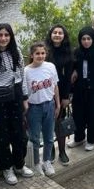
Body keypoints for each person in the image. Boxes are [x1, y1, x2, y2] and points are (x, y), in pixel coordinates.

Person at [0, 23, 32, 185]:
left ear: (11, 37)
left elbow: (21, 77)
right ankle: (6, 167)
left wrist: (24, 98)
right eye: (0, 35)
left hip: (15, 95)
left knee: (20, 134)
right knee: (1, 135)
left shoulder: (16, 53)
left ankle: (19, 164)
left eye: (6, 35)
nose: (3, 38)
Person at [24, 42, 60, 176]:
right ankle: (36, 163)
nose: (40, 56)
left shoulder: (50, 67)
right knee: (34, 137)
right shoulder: (26, 71)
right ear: (32, 55)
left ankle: (47, 161)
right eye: (37, 53)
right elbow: (24, 91)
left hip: (49, 104)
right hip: (34, 108)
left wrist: (58, 104)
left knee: (49, 136)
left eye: (42, 53)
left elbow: (55, 86)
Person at [69, 27, 94, 149]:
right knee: (78, 114)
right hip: (79, 88)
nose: (86, 42)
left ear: (93, 39)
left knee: (92, 115)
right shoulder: (77, 52)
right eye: (83, 39)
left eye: (88, 39)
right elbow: (72, 68)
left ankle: (92, 140)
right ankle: (79, 138)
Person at [45, 24, 73, 166]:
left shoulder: (67, 52)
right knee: (48, 123)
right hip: (45, 90)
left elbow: (68, 76)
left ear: (64, 36)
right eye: (55, 32)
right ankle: (50, 150)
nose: (57, 35)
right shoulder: (44, 50)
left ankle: (62, 151)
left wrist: (65, 97)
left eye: (60, 33)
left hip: (61, 90)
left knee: (59, 122)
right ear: (51, 35)